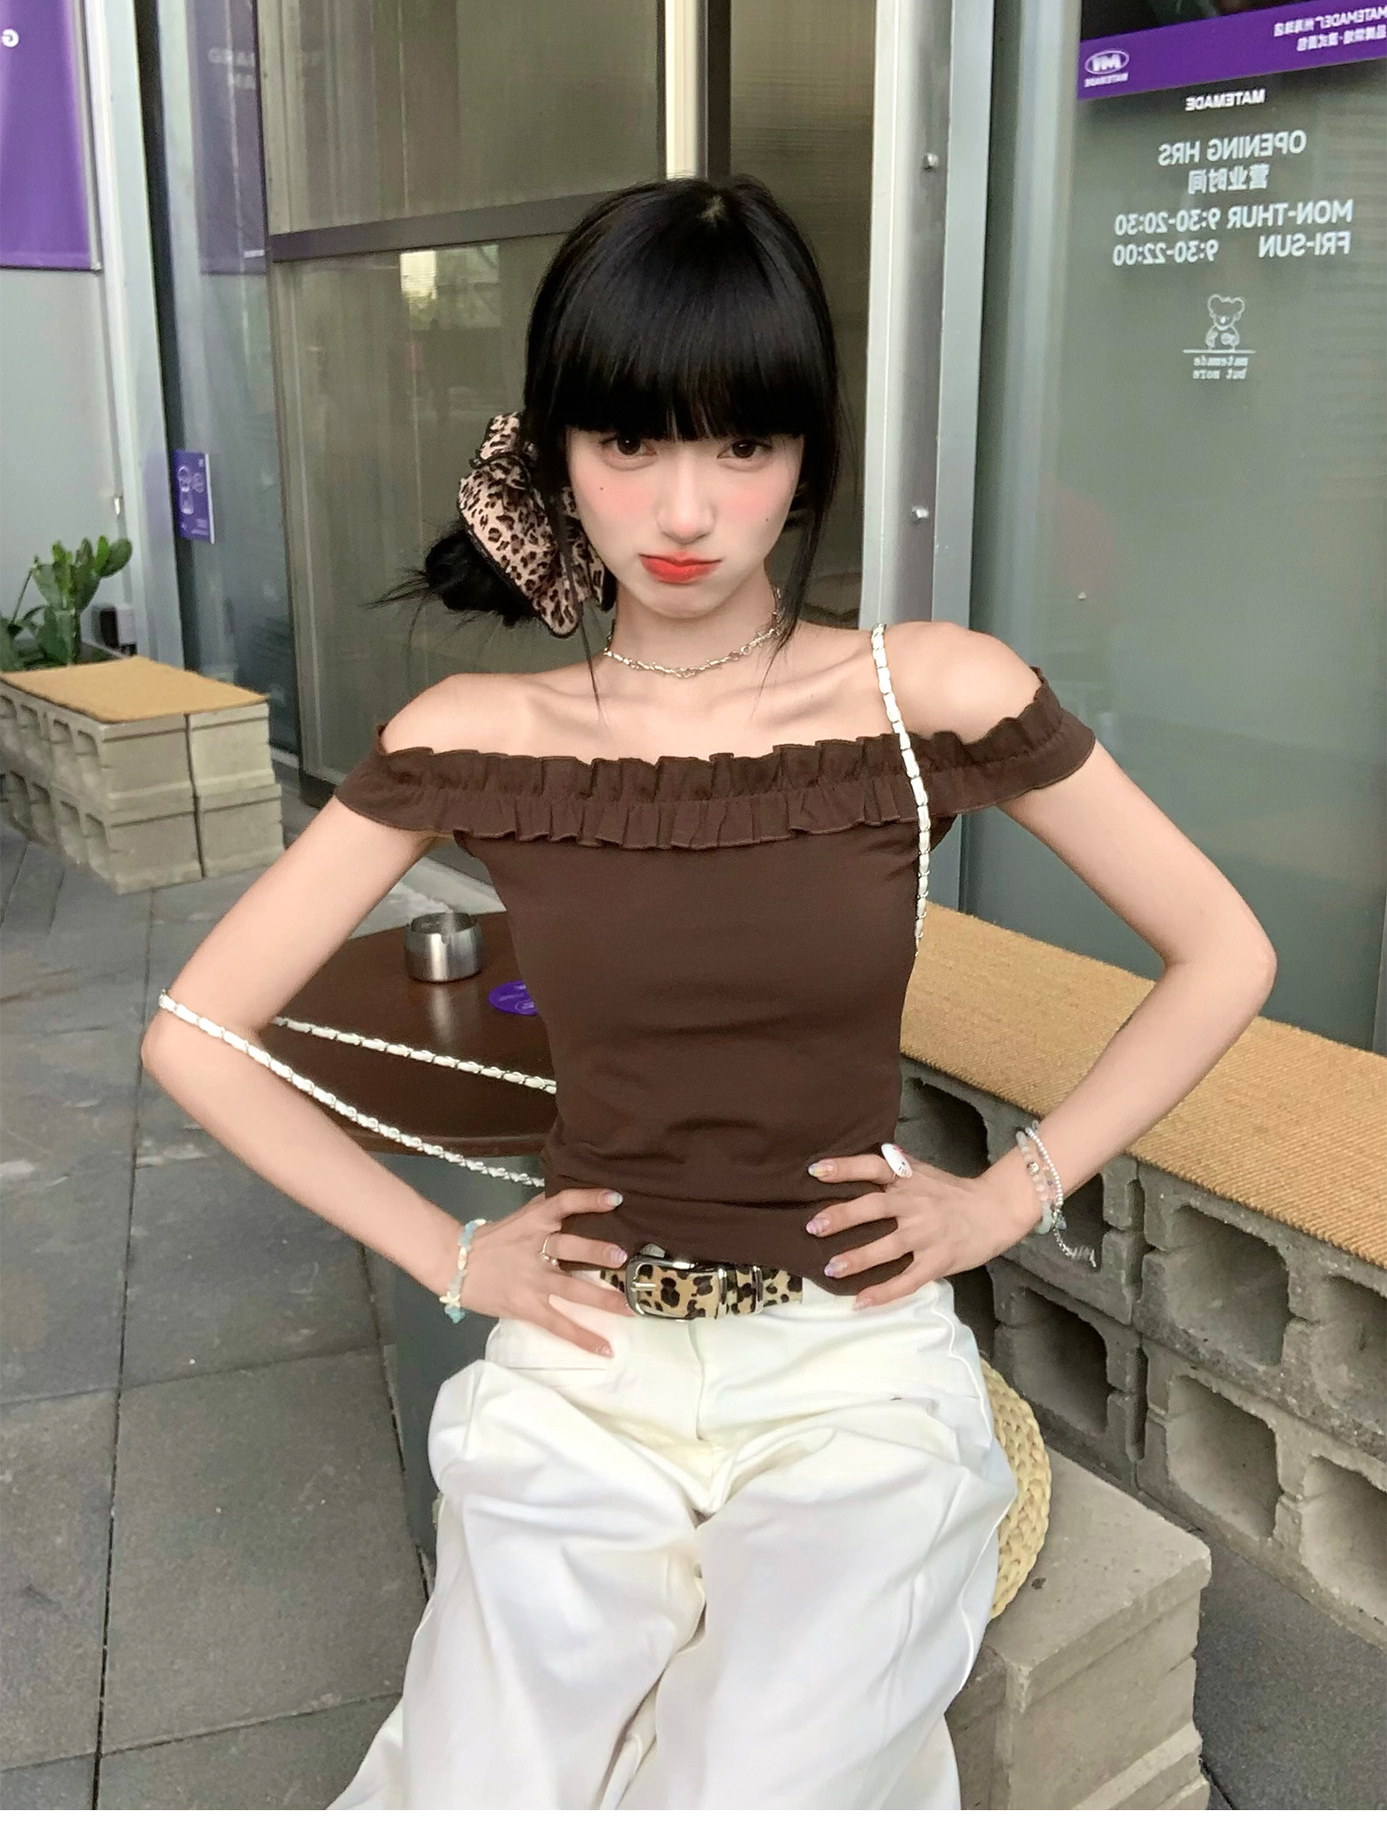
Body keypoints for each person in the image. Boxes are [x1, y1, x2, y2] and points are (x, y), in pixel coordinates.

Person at [141, 175, 1277, 1811]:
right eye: (630, 442)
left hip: (849, 1365)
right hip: (587, 1366)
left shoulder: (925, 692)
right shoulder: (476, 732)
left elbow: (1225, 950)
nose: (686, 508)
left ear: (807, 455)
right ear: (554, 452)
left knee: (755, 1785)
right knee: (481, 1790)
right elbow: (195, 1033)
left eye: (744, 444)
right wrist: (453, 1254)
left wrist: (1010, 1194)